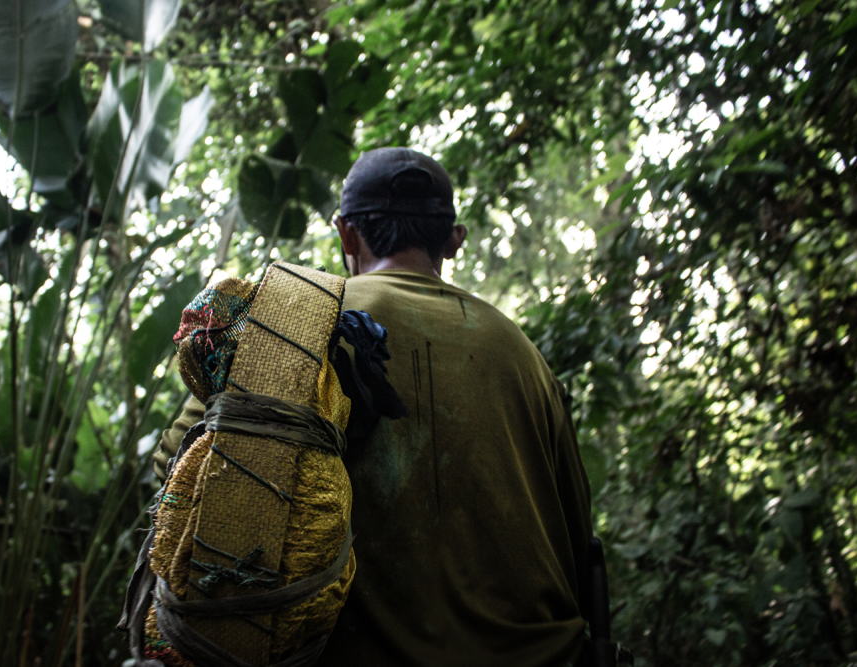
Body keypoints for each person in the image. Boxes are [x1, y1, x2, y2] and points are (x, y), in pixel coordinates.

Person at [154, 147, 593, 666]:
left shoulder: (290, 325)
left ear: (346, 234)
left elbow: (174, 475)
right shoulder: (525, 357)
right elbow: (578, 536)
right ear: (453, 240)